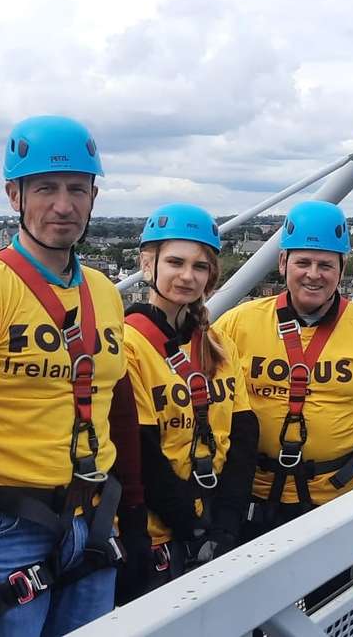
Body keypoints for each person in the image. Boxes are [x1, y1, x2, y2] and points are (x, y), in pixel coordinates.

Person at [0, 116, 143, 636]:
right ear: (14, 195)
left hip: (91, 517)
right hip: (5, 525)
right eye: (46, 188)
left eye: (78, 189)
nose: (63, 205)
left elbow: (114, 407)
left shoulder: (103, 291)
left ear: (94, 196)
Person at [214, 200, 353, 602]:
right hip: (254, 497)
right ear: (283, 262)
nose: (313, 275)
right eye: (303, 262)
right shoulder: (239, 323)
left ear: (342, 269)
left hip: (335, 498)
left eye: (326, 265)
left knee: (328, 606)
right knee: (251, 608)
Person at [114, 204, 258, 601]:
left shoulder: (217, 343)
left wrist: (226, 524)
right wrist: (192, 529)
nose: (187, 276)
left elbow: (243, 435)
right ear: (148, 264)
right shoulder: (129, 345)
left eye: (200, 266)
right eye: (175, 262)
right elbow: (140, 452)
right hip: (159, 533)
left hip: (214, 523)